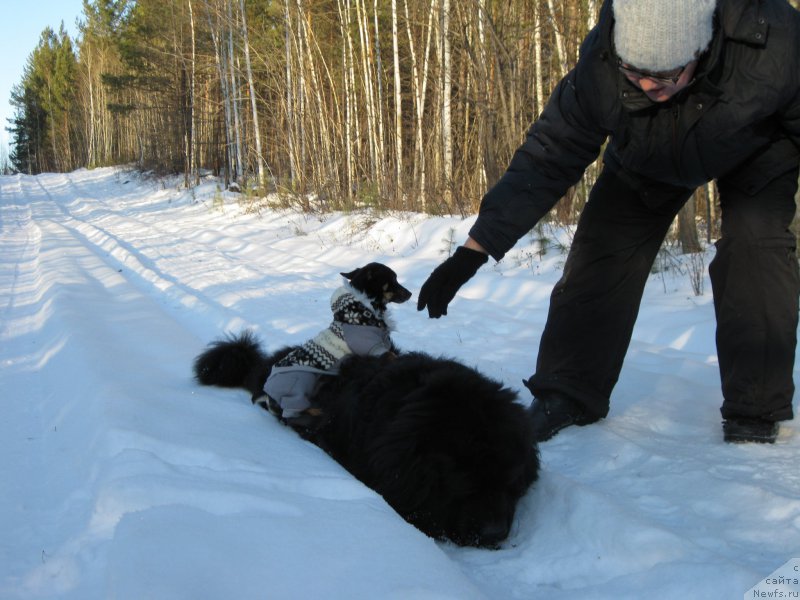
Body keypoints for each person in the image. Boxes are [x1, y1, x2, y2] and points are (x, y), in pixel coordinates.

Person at [417, 0, 800, 444]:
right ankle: (568, 391)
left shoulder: (776, 43)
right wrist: (475, 250)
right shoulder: (601, 61)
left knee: (756, 248)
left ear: (701, 49)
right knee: (602, 253)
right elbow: (549, 156)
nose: (647, 84)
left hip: (755, 146)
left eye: (664, 76)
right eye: (633, 72)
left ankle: (754, 409)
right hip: (647, 153)